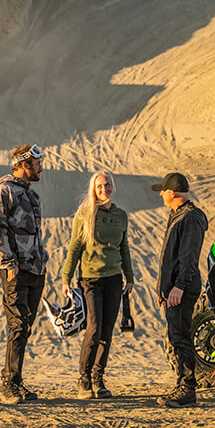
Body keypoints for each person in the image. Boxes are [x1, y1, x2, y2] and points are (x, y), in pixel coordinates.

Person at [60, 171, 136, 399]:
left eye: (108, 184)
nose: (105, 188)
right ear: (93, 188)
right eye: (100, 185)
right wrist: (66, 278)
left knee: (107, 331)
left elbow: (124, 247)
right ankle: (84, 380)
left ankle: (98, 378)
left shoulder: (121, 215)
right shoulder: (85, 214)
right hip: (90, 279)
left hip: (114, 278)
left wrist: (129, 276)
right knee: (93, 329)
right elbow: (74, 247)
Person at [0, 143, 48, 405]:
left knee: (26, 327)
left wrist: (42, 258)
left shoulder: (32, 196)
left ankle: (17, 381)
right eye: (37, 163)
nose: (41, 167)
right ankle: (8, 385)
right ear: (24, 164)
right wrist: (7, 261)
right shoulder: (4, 191)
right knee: (18, 325)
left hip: (35, 269)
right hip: (14, 270)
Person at [152, 172, 208, 408]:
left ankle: (187, 389)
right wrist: (162, 289)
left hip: (181, 288)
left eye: (163, 191)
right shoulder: (178, 215)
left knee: (180, 337)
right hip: (173, 288)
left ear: (172, 193)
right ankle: (182, 385)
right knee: (176, 336)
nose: (161, 195)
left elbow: (188, 257)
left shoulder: (190, 218)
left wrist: (178, 287)